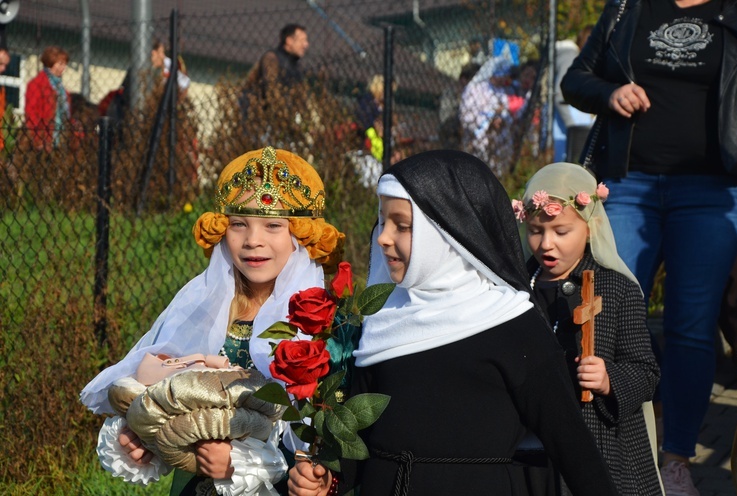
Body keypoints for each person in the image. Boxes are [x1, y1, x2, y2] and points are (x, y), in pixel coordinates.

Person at [288, 150, 619, 496]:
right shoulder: (387, 317)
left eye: (402, 225)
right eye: (382, 220)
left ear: (448, 233)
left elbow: (572, 446)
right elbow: (360, 436)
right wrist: (327, 478)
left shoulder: (511, 324)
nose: (384, 237)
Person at [560, 0, 737, 493]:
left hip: (714, 190)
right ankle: (608, 444)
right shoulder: (631, 6)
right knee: (607, 311)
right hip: (630, 184)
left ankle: (677, 460)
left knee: (692, 324)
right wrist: (612, 92)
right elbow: (575, 80)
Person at [80, 146, 346, 496]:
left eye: (272, 225)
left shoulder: (324, 325)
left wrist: (238, 462)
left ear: (302, 234)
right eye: (239, 223)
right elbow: (166, 397)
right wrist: (146, 434)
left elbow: (326, 437)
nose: (253, 240)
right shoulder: (205, 308)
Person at [516, 162, 662, 495]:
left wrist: (609, 379)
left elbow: (646, 371)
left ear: (590, 227)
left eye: (561, 232)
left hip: (600, 447)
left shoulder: (617, 289)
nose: (546, 244)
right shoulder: (514, 288)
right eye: (536, 231)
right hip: (530, 452)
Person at [552, 26, 594, 162]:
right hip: (566, 125)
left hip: (571, 124)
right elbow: (559, 92)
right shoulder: (570, 55)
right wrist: (572, 125)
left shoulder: (574, 56)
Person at [25, 45, 71, 152]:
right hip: (44, 140)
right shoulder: (37, 84)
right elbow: (31, 114)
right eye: (60, 64)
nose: (63, 68)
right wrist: (38, 139)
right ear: (50, 62)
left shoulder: (62, 89)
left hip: (61, 138)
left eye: (65, 64)